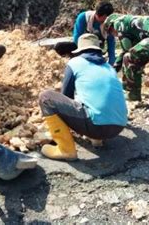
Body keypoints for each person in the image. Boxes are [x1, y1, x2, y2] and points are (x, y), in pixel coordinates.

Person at [38, 33, 128, 161]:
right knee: (92, 99)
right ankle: (97, 139)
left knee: (46, 97)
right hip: (118, 126)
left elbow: (66, 96)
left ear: (79, 51)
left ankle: (66, 150)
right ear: (98, 50)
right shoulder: (109, 67)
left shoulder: (75, 62)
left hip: (96, 126)